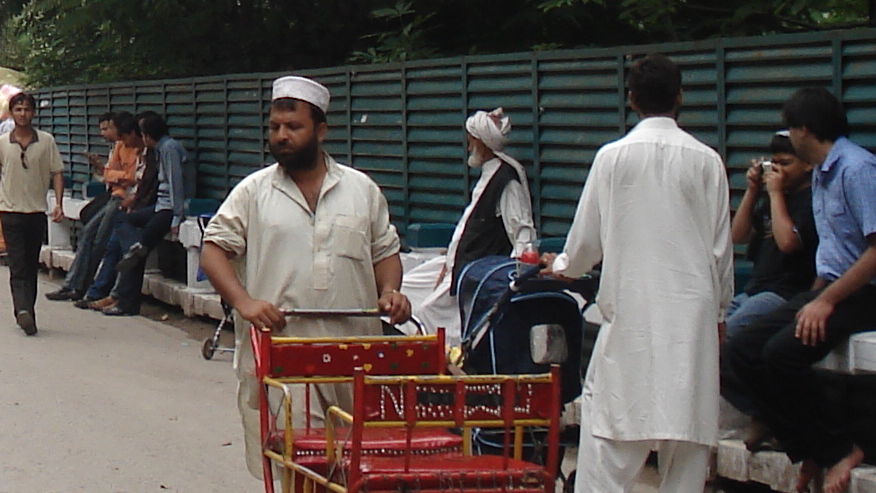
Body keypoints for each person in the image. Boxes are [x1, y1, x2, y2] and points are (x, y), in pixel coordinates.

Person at [543, 54, 734, 493]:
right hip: (692, 303)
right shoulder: (707, 160)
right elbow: (721, 249)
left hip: (631, 301)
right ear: (680, 97)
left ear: (631, 99)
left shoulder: (613, 158)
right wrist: (720, 312)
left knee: (612, 405)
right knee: (687, 409)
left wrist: (562, 266)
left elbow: (587, 241)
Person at [199, 78, 411, 470]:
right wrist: (244, 302)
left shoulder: (360, 189)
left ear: (321, 130)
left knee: (354, 470)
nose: (281, 136)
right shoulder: (253, 191)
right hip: (284, 356)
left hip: (355, 359)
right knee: (307, 465)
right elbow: (214, 250)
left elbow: (385, 252)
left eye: (293, 127)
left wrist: (391, 291)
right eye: (275, 127)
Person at [720, 86, 876, 493]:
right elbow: (831, 253)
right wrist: (812, 299)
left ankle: (840, 448)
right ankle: (807, 445)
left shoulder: (857, 171)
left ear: (805, 130)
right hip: (830, 290)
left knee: (781, 354)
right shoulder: (824, 174)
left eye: (791, 131)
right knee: (742, 348)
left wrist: (825, 302)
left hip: (872, 294)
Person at [707, 132, 818, 493]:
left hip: (786, 296)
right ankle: (763, 411)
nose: (778, 171)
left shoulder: (810, 201)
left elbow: (789, 244)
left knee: (734, 335)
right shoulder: (768, 198)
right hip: (755, 290)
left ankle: (766, 413)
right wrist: (753, 193)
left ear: (806, 164)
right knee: (706, 341)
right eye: (774, 163)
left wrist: (776, 195)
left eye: (786, 164)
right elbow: (736, 237)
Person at [414, 109, 538, 340]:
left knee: (426, 313)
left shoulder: (506, 181)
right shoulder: (488, 175)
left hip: (476, 272)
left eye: (471, 142)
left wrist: (523, 274)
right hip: (459, 264)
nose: (469, 148)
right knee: (410, 286)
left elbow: (521, 230)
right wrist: (450, 260)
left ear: (482, 143)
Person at [86, 112, 193, 318]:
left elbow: (176, 184)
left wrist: (177, 216)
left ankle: (126, 301)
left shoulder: (169, 148)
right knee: (126, 228)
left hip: (167, 208)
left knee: (136, 252)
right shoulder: (159, 150)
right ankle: (133, 251)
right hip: (159, 206)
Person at [0, 90, 64, 332]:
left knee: (31, 265)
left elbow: (57, 172)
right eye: (18, 109)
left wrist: (59, 203)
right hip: (10, 211)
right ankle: (22, 310)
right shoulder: (0, 144)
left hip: (36, 212)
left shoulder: (46, 141)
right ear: (12, 113)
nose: (23, 114)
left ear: (33, 113)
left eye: (27, 109)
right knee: (18, 264)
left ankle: (28, 309)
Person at [47, 113, 141, 304]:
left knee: (99, 240)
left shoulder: (140, 150)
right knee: (88, 234)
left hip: (123, 199)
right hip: (114, 194)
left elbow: (132, 177)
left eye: (108, 129)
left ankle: (81, 287)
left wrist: (113, 175)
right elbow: (109, 173)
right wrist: (114, 174)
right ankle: (72, 285)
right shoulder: (120, 146)